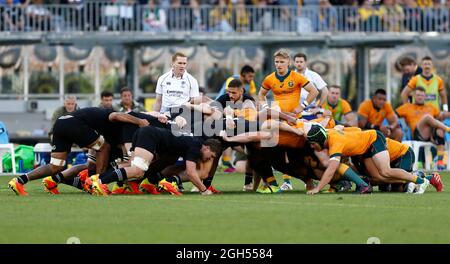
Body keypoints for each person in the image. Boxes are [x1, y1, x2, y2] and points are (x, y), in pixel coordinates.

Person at [8, 107, 150, 196]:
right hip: (73, 124)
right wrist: (139, 121)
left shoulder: (105, 126)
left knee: (55, 166)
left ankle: (19, 181)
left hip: (60, 123)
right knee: (104, 147)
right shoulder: (111, 115)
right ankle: (97, 183)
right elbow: (116, 116)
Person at [88, 126, 222, 196]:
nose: (209, 159)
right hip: (150, 136)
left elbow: (168, 163)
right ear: (206, 147)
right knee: (137, 170)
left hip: (147, 134)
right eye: (211, 156)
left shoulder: (191, 143)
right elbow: (191, 173)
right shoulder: (196, 146)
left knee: (163, 162)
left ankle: (141, 183)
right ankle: (99, 181)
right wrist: (204, 190)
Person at [305, 124, 428, 195]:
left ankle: (421, 181)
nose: (312, 147)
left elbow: (331, 170)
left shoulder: (335, 143)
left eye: (313, 143)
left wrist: (318, 188)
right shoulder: (329, 133)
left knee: (385, 171)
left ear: (320, 140)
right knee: (378, 178)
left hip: (374, 139)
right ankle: (424, 178)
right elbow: (339, 126)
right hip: (366, 147)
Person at [258, 49, 318, 190]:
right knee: (268, 150)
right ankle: (271, 182)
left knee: (296, 153)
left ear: (288, 63)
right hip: (279, 119)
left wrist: (302, 106)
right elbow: (261, 95)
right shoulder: (270, 79)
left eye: (282, 62)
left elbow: (314, 91)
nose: (279, 65)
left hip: (294, 119)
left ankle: (309, 180)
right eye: (276, 62)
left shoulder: (296, 77)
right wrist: (267, 107)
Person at [396, 87, 450, 170]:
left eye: (422, 95)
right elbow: (392, 115)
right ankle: (448, 129)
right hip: (418, 134)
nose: (420, 97)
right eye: (418, 95)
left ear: (425, 97)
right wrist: (396, 126)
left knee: (440, 130)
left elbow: (442, 116)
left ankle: (440, 162)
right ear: (414, 96)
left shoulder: (431, 107)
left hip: (431, 135)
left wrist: (446, 113)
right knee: (427, 117)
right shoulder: (407, 107)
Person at [153, 52, 200, 119]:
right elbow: (158, 101)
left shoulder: (192, 80)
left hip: (182, 116)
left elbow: (195, 103)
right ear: (172, 64)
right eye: (180, 63)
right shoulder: (162, 78)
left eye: (184, 63)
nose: (182, 66)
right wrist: (155, 116)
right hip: (164, 116)